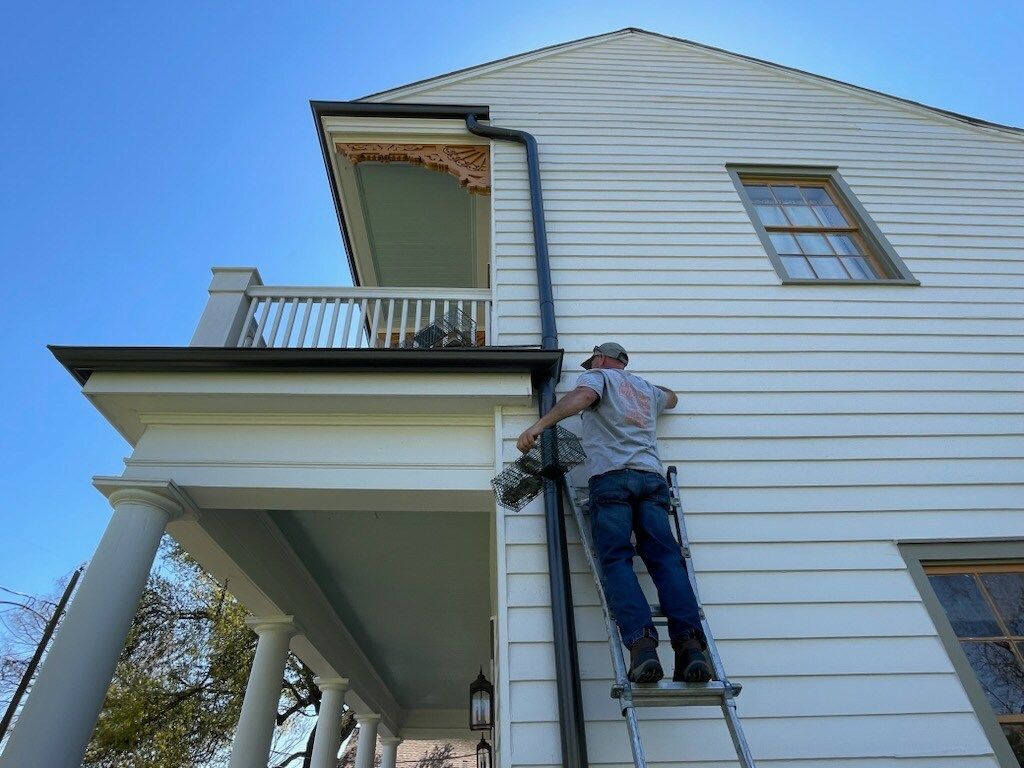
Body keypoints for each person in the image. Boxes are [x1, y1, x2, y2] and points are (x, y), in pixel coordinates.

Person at [517, 342, 711, 684]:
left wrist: (541, 425)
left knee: (617, 559)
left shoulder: (598, 377)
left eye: (593, 361)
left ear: (604, 359)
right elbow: (673, 397)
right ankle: (691, 648)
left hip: (613, 480)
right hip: (652, 481)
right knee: (667, 561)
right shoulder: (646, 390)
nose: (588, 367)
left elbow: (582, 398)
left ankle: (643, 647)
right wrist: (641, 384)